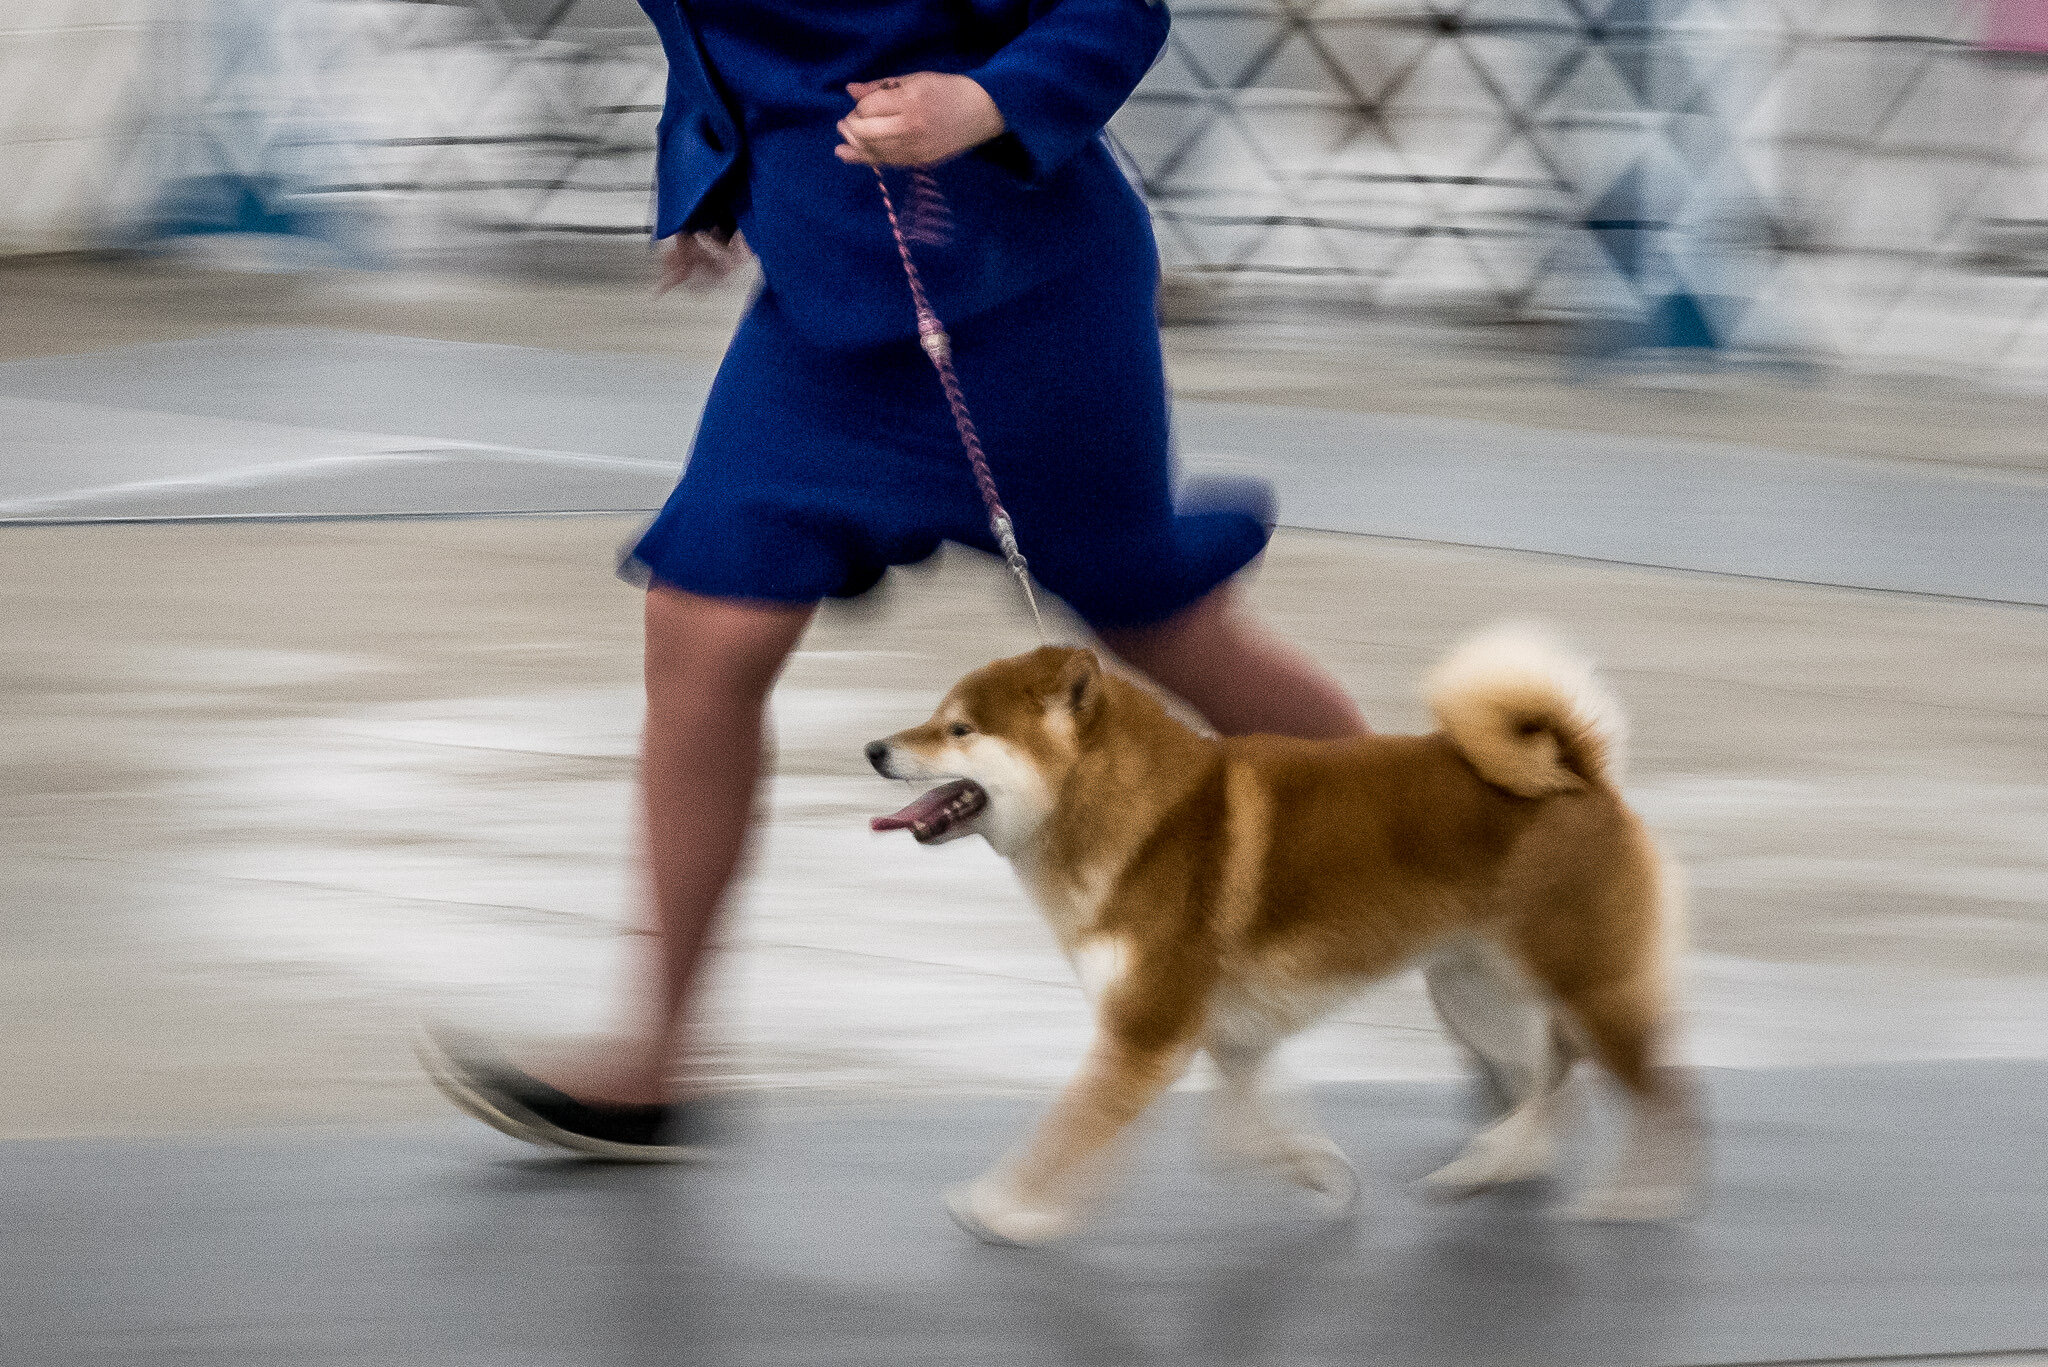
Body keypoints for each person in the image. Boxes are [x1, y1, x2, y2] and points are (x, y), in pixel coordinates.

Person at [419, 0, 1368, 1160]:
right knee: (702, 620)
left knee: (1160, 625)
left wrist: (983, 100)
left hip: (1022, 290)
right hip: (826, 310)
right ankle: (654, 1059)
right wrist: (712, 177)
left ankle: (1461, 860)